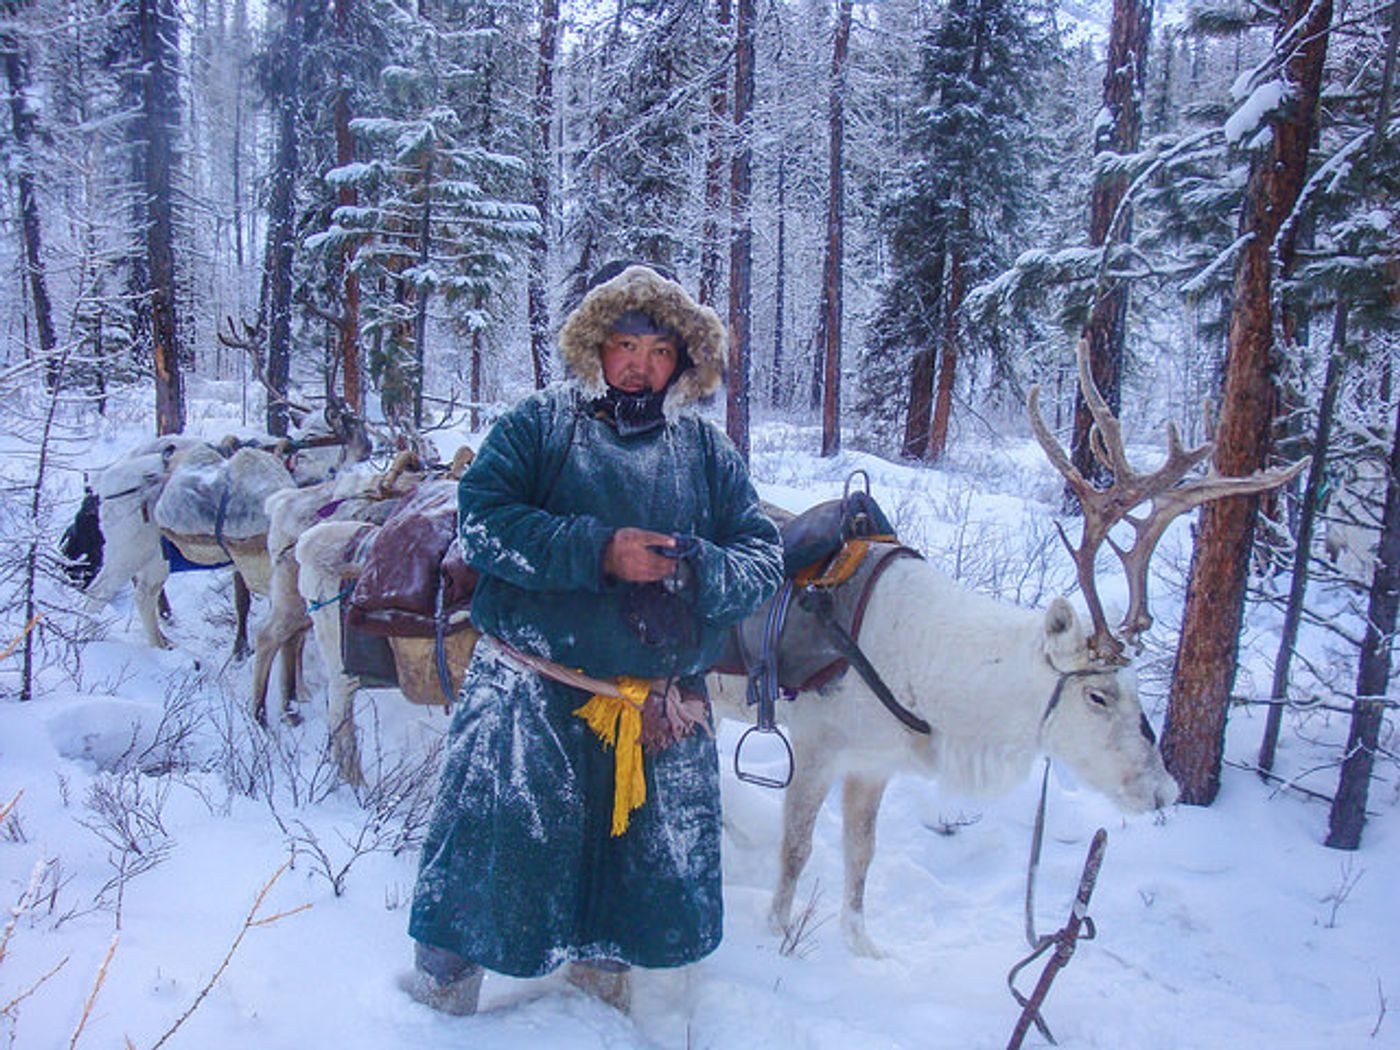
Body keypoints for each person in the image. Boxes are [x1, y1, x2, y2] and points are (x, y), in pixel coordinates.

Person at [405, 260, 784, 1015]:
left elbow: (762, 558)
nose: (641, 368)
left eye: (660, 352)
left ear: (683, 360)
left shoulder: (707, 453)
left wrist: (700, 569)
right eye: (625, 346)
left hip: (654, 719)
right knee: (486, 878)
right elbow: (482, 523)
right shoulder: (539, 426)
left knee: (626, 900)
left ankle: (595, 1018)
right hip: (529, 704)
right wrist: (599, 551)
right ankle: (434, 1014)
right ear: (594, 347)